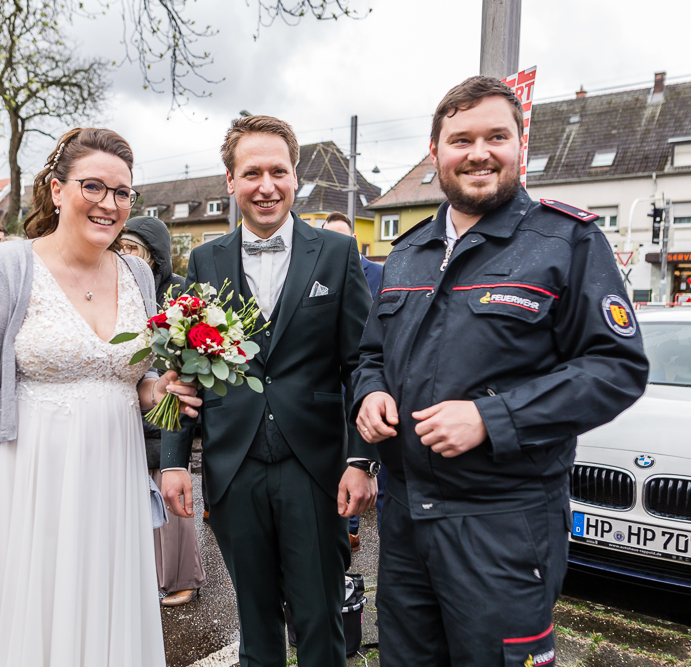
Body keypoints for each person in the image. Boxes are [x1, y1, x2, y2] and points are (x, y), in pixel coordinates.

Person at [351, 76, 649, 667]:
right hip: (406, 519)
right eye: (461, 139)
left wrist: (492, 417)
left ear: (521, 144)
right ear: (436, 153)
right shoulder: (408, 252)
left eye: (496, 136)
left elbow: (616, 367)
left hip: (504, 523)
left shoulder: (567, 241)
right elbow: (371, 354)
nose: (479, 152)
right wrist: (370, 393)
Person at [0, 128, 194, 667]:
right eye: (92, 186)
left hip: (111, 485)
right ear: (56, 189)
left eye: (122, 192)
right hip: (24, 485)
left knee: (100, 621)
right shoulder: (8, 268)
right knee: (24, 627)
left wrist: (159, 392)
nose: (108, 203)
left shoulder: (138, 273)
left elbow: (127, 380)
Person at [161, 115, 377, 667]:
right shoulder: (205, 260)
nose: (266, 185)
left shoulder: (334, 253)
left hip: (315, 469)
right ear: (230, 181)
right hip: (234, 467)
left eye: (278, 171)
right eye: (251, 172)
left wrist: (361, 459)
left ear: (295, 176)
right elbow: (186, 365)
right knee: (254, 623)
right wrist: (173, 461)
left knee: (319, 619)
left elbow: (361, 362)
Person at [121, 216, 207, 607]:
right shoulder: (118, 289)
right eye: (119, 246)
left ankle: (181, 579)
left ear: (154, 255)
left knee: (172, 497)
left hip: (166, 416)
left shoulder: (176, 295)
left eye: (133, 247)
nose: (124, 253)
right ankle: (145, 576)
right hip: (128, 415)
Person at [322, 210, 384, 550]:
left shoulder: (378, 273)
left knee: (358, 452)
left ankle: (352, 527)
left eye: (341, 238)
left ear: (354, 241)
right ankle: (345, 525)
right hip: (330, 381)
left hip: (363, 377)